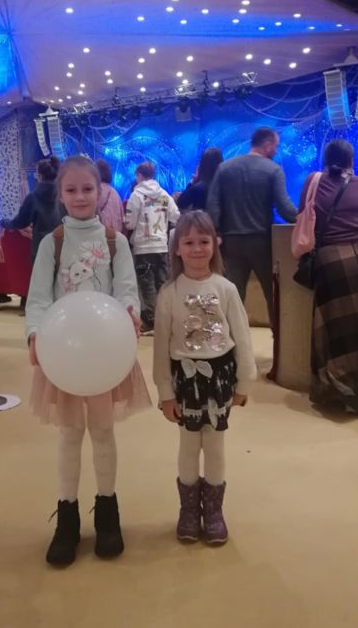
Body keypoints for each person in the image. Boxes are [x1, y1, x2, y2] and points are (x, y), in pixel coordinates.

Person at [26, 155, 150, 567]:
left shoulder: (116, 241)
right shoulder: (53, 243)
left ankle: (108, 514)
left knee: (102, 430)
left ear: (101, 192)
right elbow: (38, 297)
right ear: (60, 195)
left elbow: (127, 289)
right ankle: (67, 519)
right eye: (71, 189)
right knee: (69, 434)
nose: (80, 196)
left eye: (87, 189)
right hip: (64, 355)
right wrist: (35, 334)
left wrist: (129, 313)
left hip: (104, 355)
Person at [153, 211, 256, 544]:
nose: (197, 249)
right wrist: (166, 393)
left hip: (220, 378)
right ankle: (188, 510)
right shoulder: (169, 292)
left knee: (214, 445)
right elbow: (160, 346)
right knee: (188, 445)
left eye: (203, 241)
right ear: (177, 248)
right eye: (188, 242)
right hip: (185, 379)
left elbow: (242, 338)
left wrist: (245, 382)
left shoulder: (226, 289)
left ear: (215, 244)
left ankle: (213, 512)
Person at [208, 127, 297, 327]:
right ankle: (279, 341)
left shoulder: (225, 168)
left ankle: (231, 342)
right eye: (275, 146)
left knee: (232, 297)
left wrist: (216, 232)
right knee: (273, 295)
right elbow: (284, 208)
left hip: (231, 243)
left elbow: (213, 204)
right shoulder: (273, 170)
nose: (276, 150)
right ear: (267, 144)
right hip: (263, 243)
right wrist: (306, 219)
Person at [298, 139, 358, 414]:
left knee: (332, 333)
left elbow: (302, 214)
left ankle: (336, 391)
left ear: (325, 159)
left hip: (330, 262)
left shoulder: (313, 181)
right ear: (351, 160)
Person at [125, 161, 180, 333]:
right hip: (161, 245)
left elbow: (130, 223)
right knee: (163, 283)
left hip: (143, 246)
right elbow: (176, 216)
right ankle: (167, 318)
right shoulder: (164, 194)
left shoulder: (137, 195)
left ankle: (153, 321)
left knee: (147, 284)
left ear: (139, 175)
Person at [1, 155, 63, 263]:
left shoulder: (33, 198)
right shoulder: (64, 196)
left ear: (39, 176)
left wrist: (3, 222)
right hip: (62, 250)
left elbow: (19, 223)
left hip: (41, 251)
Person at [95, 159, 124, 232]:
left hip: (100, 233)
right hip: (115, 234)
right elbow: (121, 216)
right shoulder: (115, 193)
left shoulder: (95, 191)